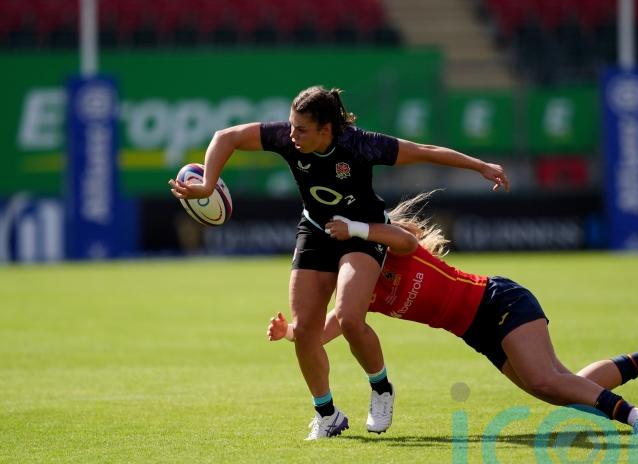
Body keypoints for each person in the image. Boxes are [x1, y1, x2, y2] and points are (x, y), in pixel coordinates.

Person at [168, 87, 510, 440]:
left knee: (349, 318)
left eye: (301, 130)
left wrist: (481, 166)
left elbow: (424, 152)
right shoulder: (289, 139)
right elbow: (226, 137)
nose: (290, 136)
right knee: (304, 332)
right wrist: (208, 183)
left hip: (362, 234)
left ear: (326, 129)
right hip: (316, 230)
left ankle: (381, 388)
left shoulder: (360, 145)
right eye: (290, 126)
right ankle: (327, 414)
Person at [267, 192, 638, 436]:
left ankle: (636, 417)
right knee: (562, 387)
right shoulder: (361, 290)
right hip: (476, 332)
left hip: (498, 301)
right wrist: (294, 332)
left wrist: (359, 227)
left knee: (545, 380)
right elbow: (333, 327)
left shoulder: (399, 249)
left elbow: (397, 236)